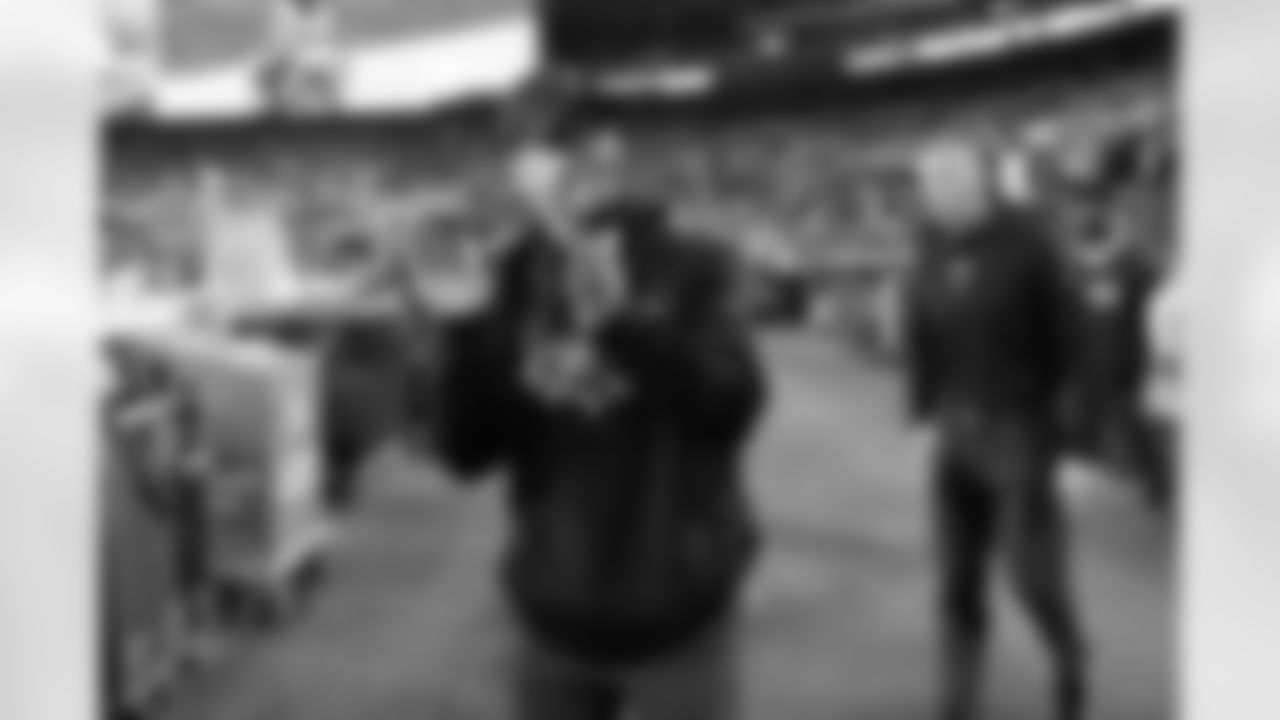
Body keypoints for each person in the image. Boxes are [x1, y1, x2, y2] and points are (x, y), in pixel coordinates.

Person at [408, 138, 767, 720]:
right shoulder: (515, 276)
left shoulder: (697, 263)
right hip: (553, 613)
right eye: (536, 172)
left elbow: (729, 406)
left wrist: (621, 327)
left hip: (677, 612)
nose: (553, 185)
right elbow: (465, 452)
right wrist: (466, 332)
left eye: (575, 165)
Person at [903, 139, 1089, 720]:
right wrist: (920, 415)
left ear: (981, 180)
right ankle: (957, 704)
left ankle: (1070, 655)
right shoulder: (926, 250)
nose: (938, 189)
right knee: (957, 584)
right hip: (954, 435)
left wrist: (1073, 445)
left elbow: (1075, 343)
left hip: (1020, 433)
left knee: (1031, 579)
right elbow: (921, 338)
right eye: (929, 181)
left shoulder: (1031, 244)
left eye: (952, 175)